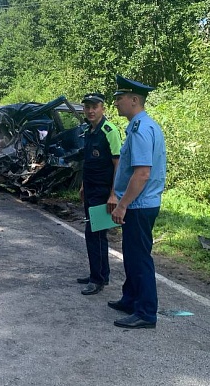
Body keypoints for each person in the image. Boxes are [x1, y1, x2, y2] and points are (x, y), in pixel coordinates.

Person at [108, 74, 166, 329]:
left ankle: (145, 312)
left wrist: (122, 205)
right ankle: (130, 299)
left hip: (139, 206)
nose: (116, 103)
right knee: (131, 255)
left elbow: (142, 173)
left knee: (139, 257)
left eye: (119, 99)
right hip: (138, 204)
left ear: (134, 100)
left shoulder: (142, 130)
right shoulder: (140, 126)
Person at [77, 92, 122, 295]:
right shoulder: (88, 131)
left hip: (104, 191)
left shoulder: (109, 130)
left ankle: (97, 279)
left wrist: (114, 194)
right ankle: (100, 273)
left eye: (94, 106)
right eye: (87, 107)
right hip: (91, 189)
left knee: (94, 233)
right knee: (95, 233)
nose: (91, 110)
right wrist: (84, 186)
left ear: (103, 108)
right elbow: (88, 162)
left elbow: (117, 164)